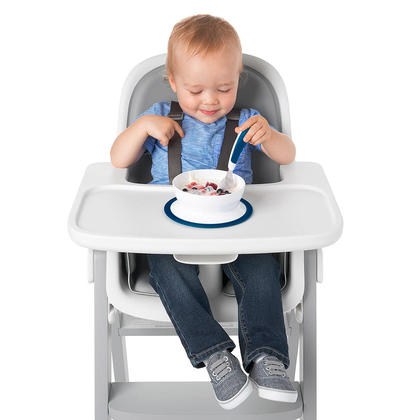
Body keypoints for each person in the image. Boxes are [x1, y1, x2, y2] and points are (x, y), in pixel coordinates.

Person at [110, 14, 297, 410]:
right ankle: (215, 356)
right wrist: (142, 127)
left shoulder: (246, 120)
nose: (210, 100)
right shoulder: (161, 115)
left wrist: (269, 136)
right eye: (195, 90)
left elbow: (288, 156)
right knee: (167, 272)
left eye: (224, 88)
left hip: (237, 227)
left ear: (238, 80)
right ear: (173, 82)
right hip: (170, 230)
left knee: (261, 270)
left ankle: (266, 357)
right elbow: (117, 160)